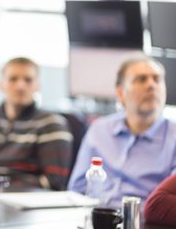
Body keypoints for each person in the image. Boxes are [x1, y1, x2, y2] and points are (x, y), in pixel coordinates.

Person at [68, 56, 176, 208]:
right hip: (95, 219)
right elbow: (77, 190)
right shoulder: (99, 130)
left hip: (145, 224)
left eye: (157, 79)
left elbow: (170, 203)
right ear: (120, 93)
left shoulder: (173, 138)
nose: (151, 85)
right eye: (141, 79)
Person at [0, 57, 73, 190]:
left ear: (37, 86)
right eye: (13, 79)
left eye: (28, 80)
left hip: (23, 200)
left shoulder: (51, 124)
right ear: (1, 85)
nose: (20, 86)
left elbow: (55, 181)